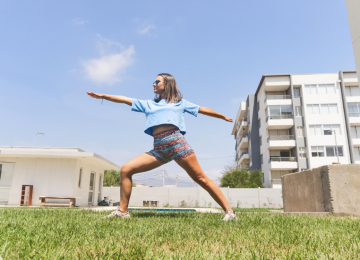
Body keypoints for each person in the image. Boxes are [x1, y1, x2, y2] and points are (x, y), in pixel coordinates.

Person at [86, 73, 237, 221]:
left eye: (157, 82)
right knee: (126, 169)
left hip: (178, 144)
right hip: (159, 149)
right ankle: (122, 211)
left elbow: (202, 109)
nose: (153, 84)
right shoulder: (148, 104)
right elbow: (126, 100)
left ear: (167, 84)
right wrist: (103, 96)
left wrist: (222, 116)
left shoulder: (180, 103)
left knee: (201, 178)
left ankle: (229, 212)